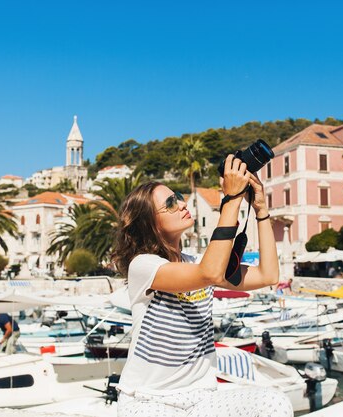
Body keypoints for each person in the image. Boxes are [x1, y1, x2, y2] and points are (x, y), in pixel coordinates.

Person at [112, 155, 292, 417]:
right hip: (148, 401)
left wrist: (261, 210)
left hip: (201, 399)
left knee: (274, 402)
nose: (182, 204)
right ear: (150, 223)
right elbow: (209, 273)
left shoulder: (197, 263)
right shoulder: (144, 267)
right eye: (170, 204)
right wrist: (230, 200)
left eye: (178, 197)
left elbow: (268, 275)